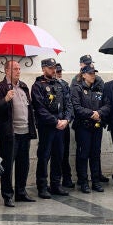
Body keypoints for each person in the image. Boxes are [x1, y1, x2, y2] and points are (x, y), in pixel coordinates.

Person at [0, 60, 37, 207]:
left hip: (25, 131)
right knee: (7, 166)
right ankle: (7, 195)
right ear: (6, 71)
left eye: (19, 68)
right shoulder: (0, 87)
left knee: (23, 164)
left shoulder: (24, 86)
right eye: (15, 69)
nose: (18, 71)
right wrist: (6, 99)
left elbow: (29, 108)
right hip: (10, 134)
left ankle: (21, 192)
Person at [32, 58, 73, 198]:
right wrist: (55, 121)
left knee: (59, 156)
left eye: (54, 67)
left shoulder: (60, 84)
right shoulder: (38, 86)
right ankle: (42, 187)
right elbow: (40, 109)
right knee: (44, 157)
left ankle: (56, 184)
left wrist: (67, 119)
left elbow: (68, 104)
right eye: (50, 68)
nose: (53, 70)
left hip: (61, 126)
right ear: (43, 69)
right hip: (47, 127)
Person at [71, 65, 111, 193]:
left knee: (95, 154)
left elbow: (107, 105)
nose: (93, 75)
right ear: (83, 75)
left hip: (97, 126)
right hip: (83, 127)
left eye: (94, 73)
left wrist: (99, 112)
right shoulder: (77, 89)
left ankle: (96, 182)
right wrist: (91, 114)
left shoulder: (99, 88)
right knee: (83, 155)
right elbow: (76, 107)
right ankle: (83, 182)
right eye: (90, 73)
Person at [55, 63, 75, 188]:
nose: (59, 73)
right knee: (55, 154)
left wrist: (67, 119)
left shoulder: (65, 85)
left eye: (60, 71)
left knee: (65, 153)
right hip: (54, 124)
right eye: (57, 71)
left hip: (64, 124)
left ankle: (67, 178)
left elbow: (69, 104)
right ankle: (55, 181)